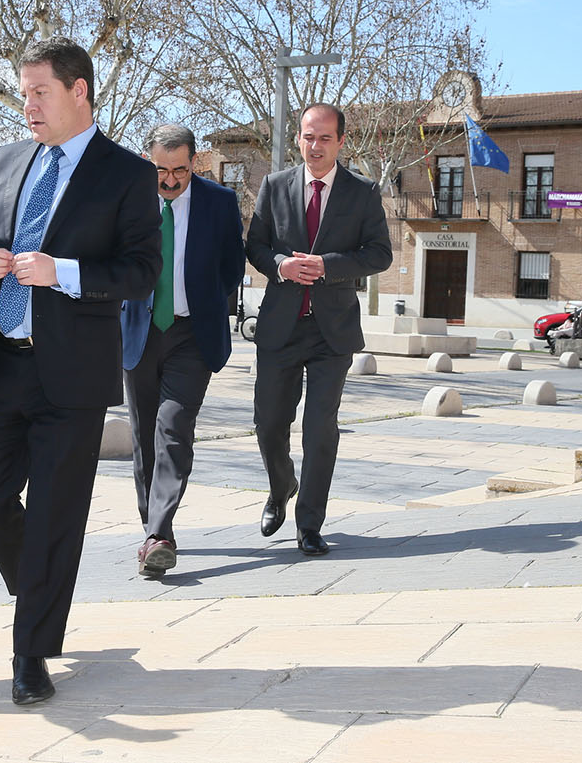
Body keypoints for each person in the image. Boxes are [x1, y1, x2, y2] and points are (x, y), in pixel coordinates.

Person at [0, 37, 160, 706]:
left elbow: (140, 271)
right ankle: (40, 591)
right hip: (0, 360)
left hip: (70, 375)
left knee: (52, 516)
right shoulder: (6, 159)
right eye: (22, 91)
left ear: (78, 91)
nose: (27, 104)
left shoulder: (126, 173)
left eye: (38, 91)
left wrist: (62, 273)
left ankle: (30, 649)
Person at [246, 103, 392, 557]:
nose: (315, 145)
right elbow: (255, 246)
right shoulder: (274, 186)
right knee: (268, 423)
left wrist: (327, 266)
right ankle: (281, 485)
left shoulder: (363, 192)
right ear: (299, 139)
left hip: (333, 331)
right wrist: (282, 266)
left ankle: (310, 523)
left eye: (325, 138)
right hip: (279, 327)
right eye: (309, 136)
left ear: (341, 141)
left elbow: (379, 255)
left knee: (319, 428)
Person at [121, 123, 245, 578]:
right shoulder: (130, 198)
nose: (170, 181)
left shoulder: (220, 203)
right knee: (142, 437)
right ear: (148, 162)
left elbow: (232, 266)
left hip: (193, 335)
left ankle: (158, 533)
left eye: (179, 170)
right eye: (161, 171)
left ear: (196, 162)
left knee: (173, 427)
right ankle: (155, 532)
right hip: (140, 331)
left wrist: (204, 301)